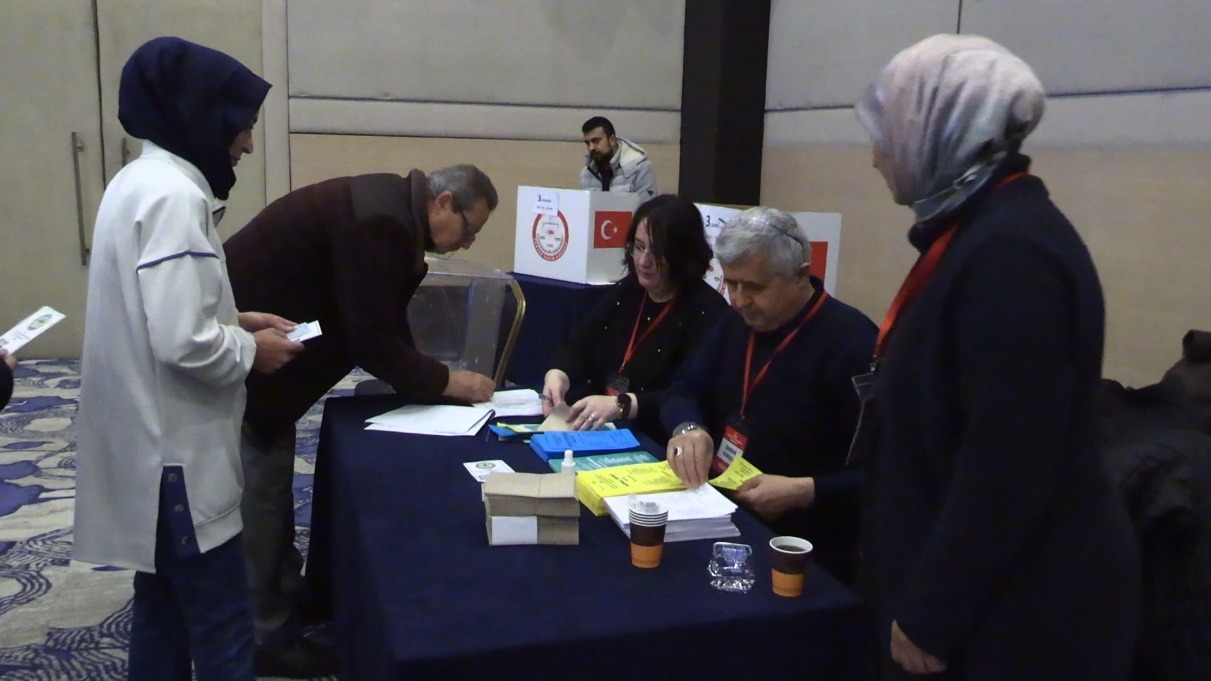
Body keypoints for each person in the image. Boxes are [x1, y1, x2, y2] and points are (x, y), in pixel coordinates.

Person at [853, 34, 1140, 680]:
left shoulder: (1011, 255)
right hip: (983, 595)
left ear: (941, 132)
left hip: (1015, 614)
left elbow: (1009, 458)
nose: (874, 157)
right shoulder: (978, 235)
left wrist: (933, 609)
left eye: (888, 135)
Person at [72, 37, 302, 681]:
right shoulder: (177, 197)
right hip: (176, 459)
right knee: (223, 628)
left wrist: (234, 320)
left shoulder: (136, 181)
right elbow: (182, 341)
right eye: (242, 126)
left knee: (163, 611)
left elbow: (156, 313)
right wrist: (249, 348)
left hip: (146, 449)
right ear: (203, 115)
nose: (247, 144)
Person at [223, 164, 498, 676]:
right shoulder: (381, 221)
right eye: (470, 229)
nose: (468, 242)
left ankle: (285, 604)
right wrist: (446, 381)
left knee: (270, 484)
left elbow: (382, 320)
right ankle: (264, 635)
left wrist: (424, 377)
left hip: (267, 367)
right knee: (259, 494)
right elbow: (372, 338)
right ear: (443, 204)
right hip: (245, 364)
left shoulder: (392, 208)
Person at [660, 207, 876, 585]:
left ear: (800, 275)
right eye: (730, 283)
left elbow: (886, 472)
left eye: (754, 287)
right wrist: (688, 428)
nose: (739, 300)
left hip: (806, 545)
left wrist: (805, 490)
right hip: (723, 516)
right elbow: (684, 388)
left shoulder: (853, 343)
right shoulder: (735, 322)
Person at [542, 195, 728, 441]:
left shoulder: (707, 311)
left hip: (658, 438)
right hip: (608, 430)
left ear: (682, 254)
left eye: (657, 252)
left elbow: (690, 396)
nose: (643, 261)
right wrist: (558, 373)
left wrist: (624, 404)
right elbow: (580, 344)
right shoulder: (629, 290)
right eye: (639, 247)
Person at [579, 116, 657, 197]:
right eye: (587, 143)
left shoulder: (640, 168)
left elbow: (648, 204)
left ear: (612, 140)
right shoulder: (586, 174)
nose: (591, 148)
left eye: (596, 141)